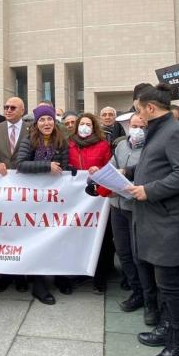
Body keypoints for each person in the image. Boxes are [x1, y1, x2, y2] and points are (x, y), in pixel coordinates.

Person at [125, 84, 179, 356]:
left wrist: (149, 190)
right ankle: (168, 328)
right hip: (156, 219)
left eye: (138, 110)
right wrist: (128, 172)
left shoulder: (175, 132)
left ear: (150, 108)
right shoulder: (160, 131)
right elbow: (157, 166)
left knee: (170, 284)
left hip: (169, 221)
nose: (137, 115)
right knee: (163, 281)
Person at [16, 104, 71, 305]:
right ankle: (39, 285)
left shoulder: (62, 141)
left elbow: (64, 169)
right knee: (36, 240)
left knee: (56, 239)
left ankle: (59, 277)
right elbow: (20, 165)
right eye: (42, 120)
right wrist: (46, 166)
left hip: (54, 201)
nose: (46, 123)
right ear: (36, 123)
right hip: (32, 202)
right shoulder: (28, 140)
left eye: (49, 119)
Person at [0, 97, 29, 294]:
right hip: (2, 190)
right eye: (6, 107)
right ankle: (4, 276)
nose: (8, 110)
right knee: (4, 233)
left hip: (25, 190)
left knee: (22, 233)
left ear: (22, 110)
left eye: (13, 107)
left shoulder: (33, 128)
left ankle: (22, 276)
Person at [71, 113, 113, 294]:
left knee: (101, 239)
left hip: (98, 200)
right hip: (76, 200)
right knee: (79, 238)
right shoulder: (70, 144)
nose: (84, 127)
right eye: (82, 124)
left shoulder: (103, 145)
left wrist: (100, 171)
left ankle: (100, 278)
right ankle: (81, 273)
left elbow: (110, 168)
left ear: (94, 127)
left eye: (88, 124)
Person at [110, 113, 147, 315]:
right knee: (123, 251)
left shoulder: (150, 149)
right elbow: (112, 167)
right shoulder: (121, 146)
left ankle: (147, 294)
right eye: (133, 126)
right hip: (117, 205)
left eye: (141, 126)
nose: (136, 130)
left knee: (137, 253)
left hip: (136, 208)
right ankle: (136, 291)